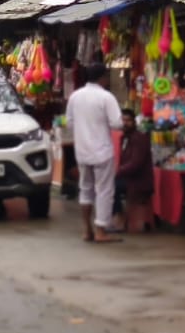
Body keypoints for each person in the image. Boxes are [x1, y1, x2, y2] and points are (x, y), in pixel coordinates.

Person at [64, 62, 122, 243]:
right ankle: (100, 231)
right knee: (104, 190)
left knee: (86, 189)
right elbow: (117, 123)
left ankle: (87, 230)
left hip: (82, 151)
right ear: (103, 78)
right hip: (102, 150)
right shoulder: (106, 97)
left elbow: (69, 122)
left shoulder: (75, 96)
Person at [114, 109, 154, 233]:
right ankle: (117, 215)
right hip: (129, 178)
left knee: (109, 186)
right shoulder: (125, 138)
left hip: (139, 180)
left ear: (134, 122)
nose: (125, 123)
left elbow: (136, 163)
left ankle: (120, 218)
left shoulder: (139, 139)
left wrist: (118, 172)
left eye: (128, 121)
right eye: (123, 120)